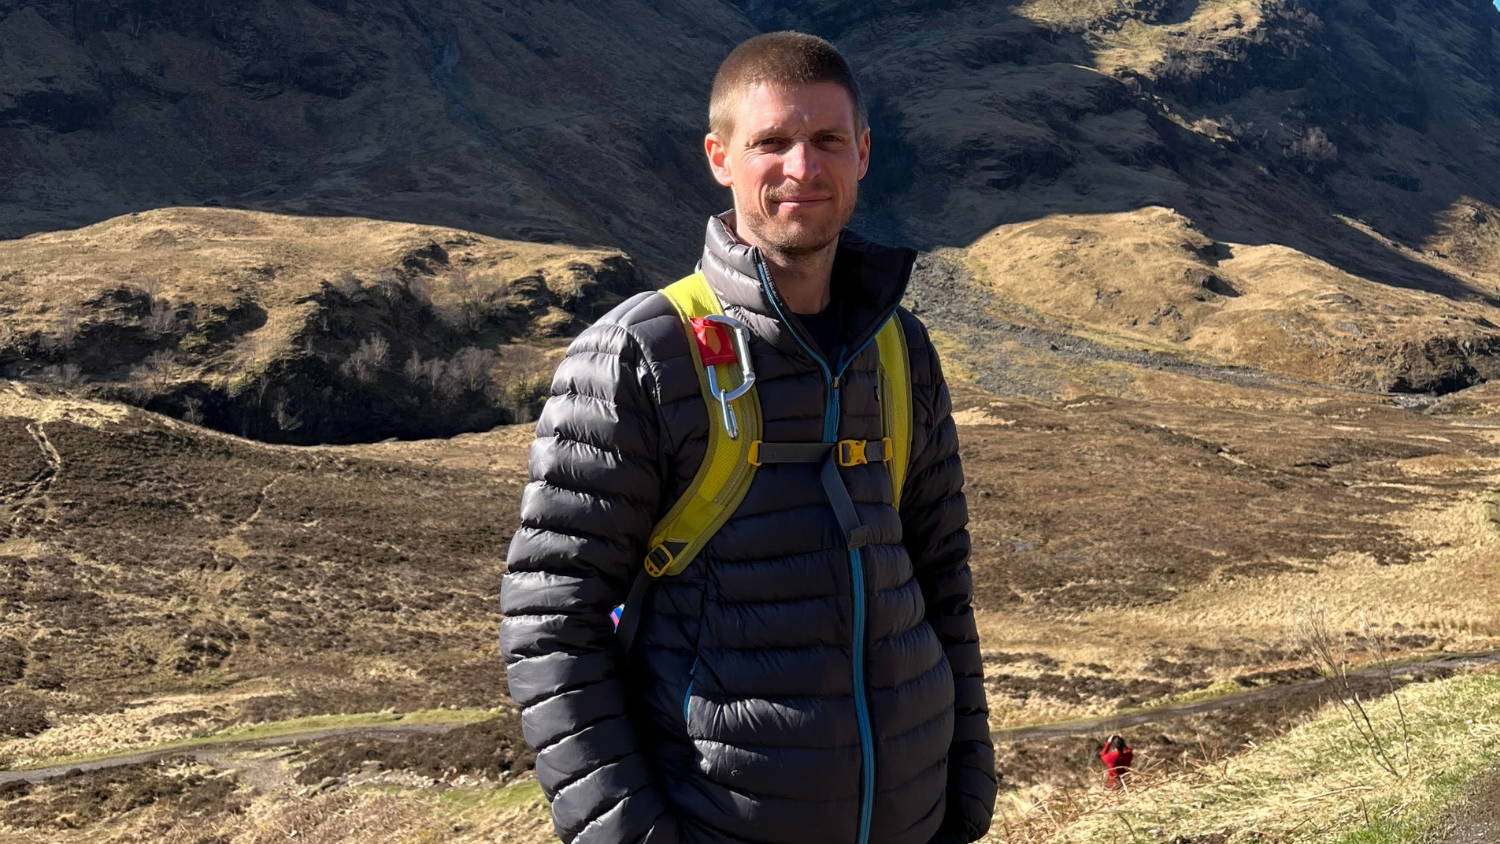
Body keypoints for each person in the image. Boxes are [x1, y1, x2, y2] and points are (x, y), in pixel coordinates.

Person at [500, 30, 996, 844]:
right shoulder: (641, 353)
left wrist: (966, 782)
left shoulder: (902, 351)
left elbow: (941, 579)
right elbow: (550, 614)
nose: (803, 168)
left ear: (864, 153)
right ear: (719, 157)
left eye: (828, 140)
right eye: (772, 141)